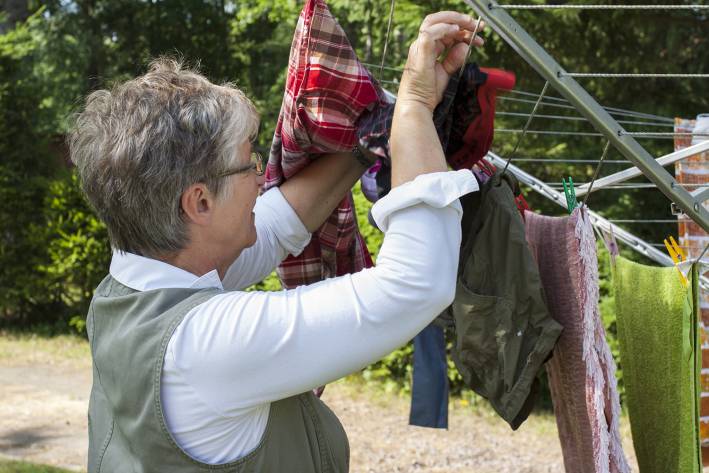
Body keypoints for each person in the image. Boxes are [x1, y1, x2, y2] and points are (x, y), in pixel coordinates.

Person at [69, 11, 484, 473]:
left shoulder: (131, 282)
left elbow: (277, 223)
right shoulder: (204, 346)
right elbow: (412, 286)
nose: (258, 178)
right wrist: (415, 107)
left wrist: (375, 139)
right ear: (200, 202)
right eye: (247, 164)